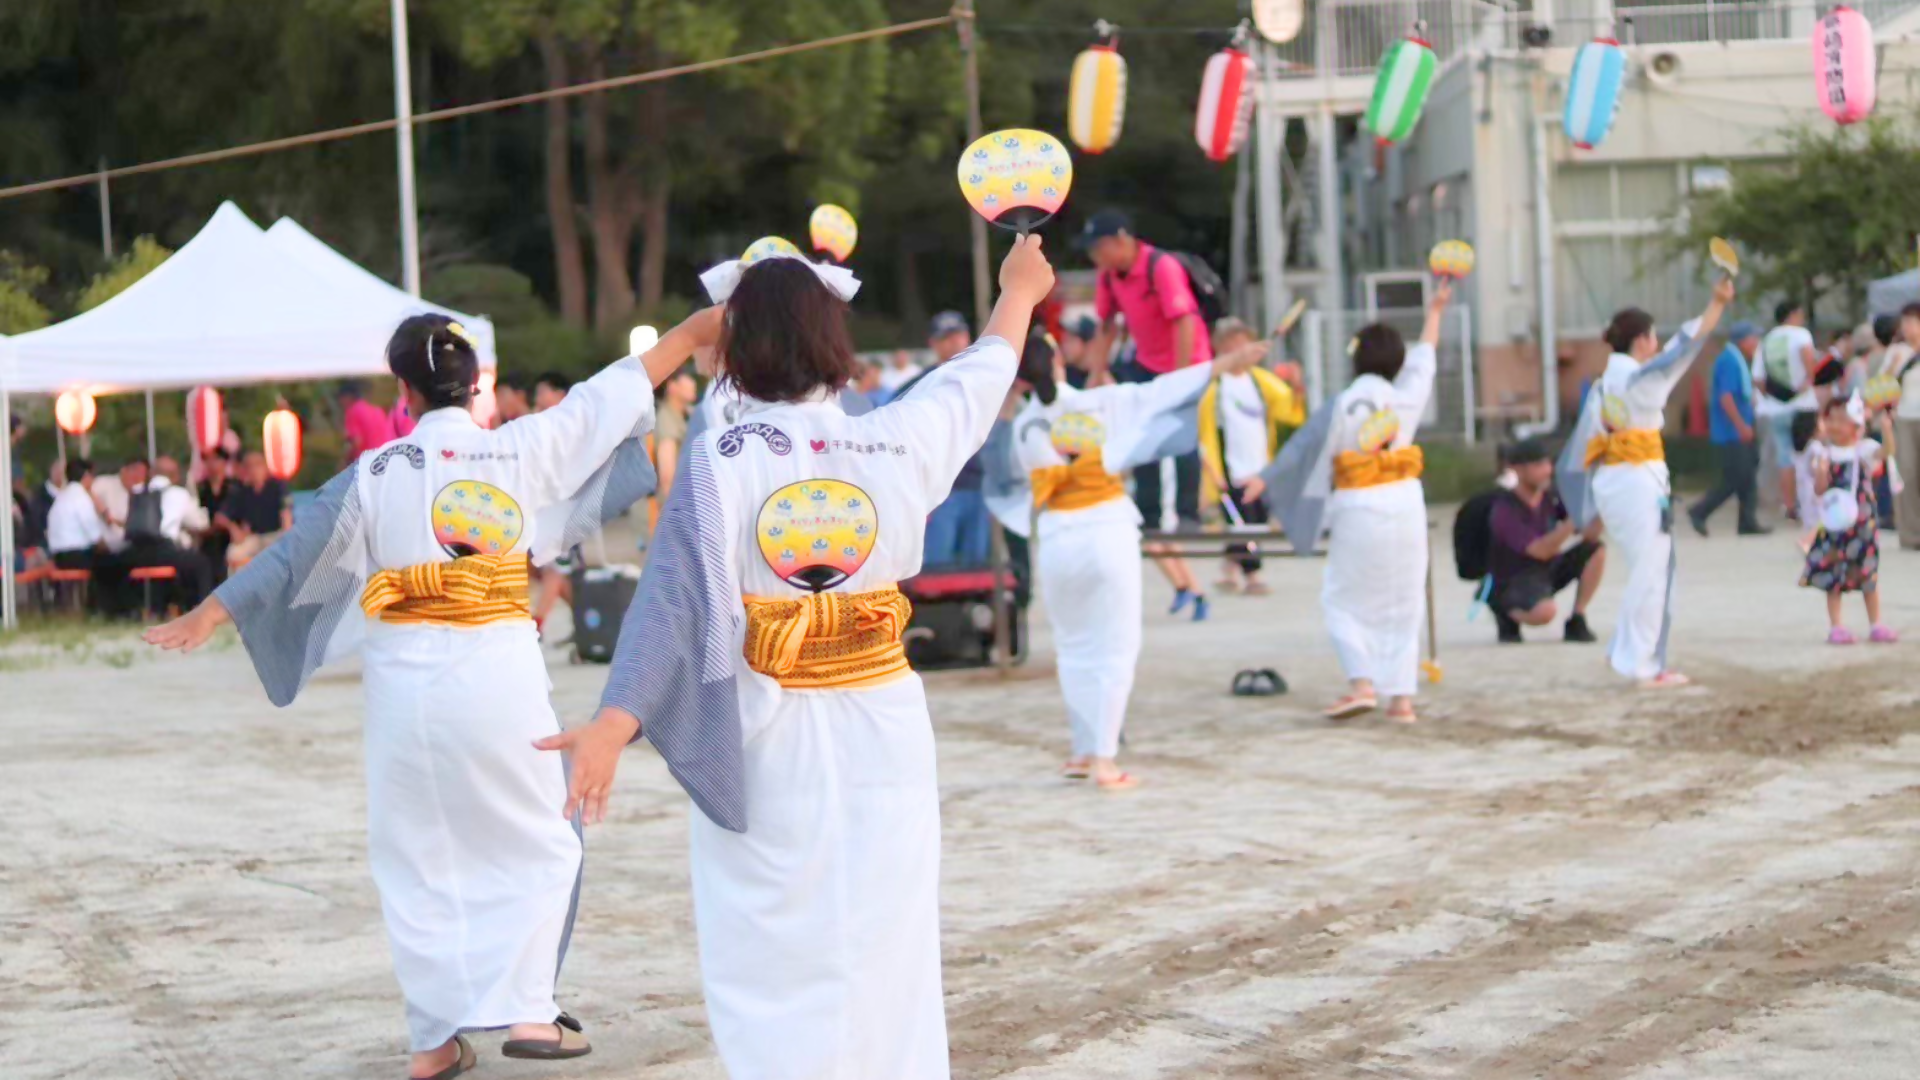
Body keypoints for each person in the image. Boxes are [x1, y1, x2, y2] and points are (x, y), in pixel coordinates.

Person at [544, 237, 1053, 1080]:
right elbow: (980, 374)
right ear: (832, 340)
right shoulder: (894, 440)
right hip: (884, 726)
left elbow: (672, 602)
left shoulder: (720, 458)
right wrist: (1019, 293)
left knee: (770, 945)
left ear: (734, 348)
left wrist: (614, 722)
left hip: (769, 733)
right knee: (888, 939)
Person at [145, 312, 687, 1080]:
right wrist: (695, 334)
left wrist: (211, 610)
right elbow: (610, 395)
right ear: (477, 384)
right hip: (497, 681)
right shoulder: (519, 445)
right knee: (541, 836)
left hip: (404, 694)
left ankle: (433, 1041)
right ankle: (530, 1010)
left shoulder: (374, 473)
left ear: (404, 391)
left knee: (416, 856)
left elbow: (294, 557)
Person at [1015, 324, 1264, 788]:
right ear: (1058, 362)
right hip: (1106, 527)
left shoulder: (1022, 425)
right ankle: (1104, 759)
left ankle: (1083, 749)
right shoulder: (1102, 402)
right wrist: (1224, 364)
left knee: (1073, 647)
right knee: (1115, 647)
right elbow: (1161, 392)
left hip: (1057, 535)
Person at [1262, 284, 1455, 723]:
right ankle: (1401, 700)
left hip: (1358, 504)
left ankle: (1362, 683)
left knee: (1342, 599)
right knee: (1404, 599)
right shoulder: (1405, 396)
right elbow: (1426, 355)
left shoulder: (1344, 403)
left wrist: (1265, 481)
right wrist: (1435, 310)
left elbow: (1305, 450)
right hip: (1406, 500)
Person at [1559, 278, 1734, 689]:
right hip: (1638, 480)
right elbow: (1686, 347)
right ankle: (1643, 663)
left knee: (1646, 568)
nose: (1657, 343)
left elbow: (1581, 448)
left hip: (1612, 481)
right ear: (1641, 340)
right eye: (1653, 336)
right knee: (1654, 572)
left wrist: (1583, 505)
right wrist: (1716, 304)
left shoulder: (1603, 385)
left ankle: (1625, 649)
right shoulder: (1642, 379)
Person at [1077, 209, 1215, 618]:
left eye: (1100, 249)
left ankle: (1188, 512)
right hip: (1148, 363)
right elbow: (1107, 327)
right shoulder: (1109, 277)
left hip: (1187, 360)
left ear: (1121, 240)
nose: (1097, 259)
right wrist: (1096, 373)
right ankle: (1151, 512)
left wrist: (1181, 380)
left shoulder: (1161, 266)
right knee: (1142, 436)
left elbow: (1184, 322)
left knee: (1180, 432)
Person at [1196, 317, 1303, 595]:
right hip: (1230, 470)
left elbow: (1289, 409)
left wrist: (1296, 385)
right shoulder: (1213, 388)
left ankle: (1230, 566)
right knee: (1244, 524)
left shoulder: (1260, 381)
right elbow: (1202, 433)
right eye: (1232, 345)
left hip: (1259, 467)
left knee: (1251, 522)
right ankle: (1253, 575)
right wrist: (1211, 471)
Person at [1486, 437, 1605, 644]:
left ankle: (1577, 618)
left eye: (1548, 464)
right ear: (1518, 470)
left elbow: (1588, 535)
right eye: (1539, 465)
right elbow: (1539, 551)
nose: (1548, 470)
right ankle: (1505, 611)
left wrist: (1600, 506)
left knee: (1596, 550)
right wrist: (1572, 520)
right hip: (1514, 578)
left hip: (1546, 570)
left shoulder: (1551, 497)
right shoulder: (1504, 509)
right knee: (1546, 613)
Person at [1802, 394, 1897, 643]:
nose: (1834, 425)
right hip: (1834, 526)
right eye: (1830, 419)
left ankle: (1876, 623)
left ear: (1856, 424)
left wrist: (1887, 430)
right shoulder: (1823, 453)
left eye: (1841, 420)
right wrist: (1821, 473)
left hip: (1863, 525)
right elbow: (1819, 490)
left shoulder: (1863, 450)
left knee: (1868, 574)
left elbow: (1886, 452)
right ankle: (1836, 626)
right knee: (1834, 575)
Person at [913, 310, 995, 567]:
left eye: (958, 335)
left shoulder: (985, 380)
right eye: (946, 338)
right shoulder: (920, 385)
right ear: (933, 343)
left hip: (980, 485)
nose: (954, 343)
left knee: (978, 566)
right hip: (939, 490)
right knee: (937, 567)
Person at [1687, 321, 1770, 536]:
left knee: (1748, 475)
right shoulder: (1729, 361)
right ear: (1743, 340)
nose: (1757, 343)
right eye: (1754, 338)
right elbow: (1726, 397)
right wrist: (1741, 425)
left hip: (1741, 429)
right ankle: (1699, 511)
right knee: (1734, 478)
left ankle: (1747, 521)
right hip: (1731, 432)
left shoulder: (1738, 359)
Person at [1757, 301, 1819, 520]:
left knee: (1785, 458)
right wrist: (1805, 385)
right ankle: (1809, 502)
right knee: (1808, 454)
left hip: (1776, 408)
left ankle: (1790, 505)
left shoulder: (1765, 340)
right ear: (1792, 315)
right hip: (1803, 405)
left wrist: (1774, 397)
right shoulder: (1801, 335)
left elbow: (1758, 379)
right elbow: (1810, 364)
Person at [217, 450, 291, 570]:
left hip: (275, 534)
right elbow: (220, 517)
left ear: (265, 467)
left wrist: (287, 537)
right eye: (249, 466)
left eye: (257, 465)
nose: (254, 470)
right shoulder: (242, 491)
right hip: (254, 537)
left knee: (281, 550)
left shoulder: (277, 486)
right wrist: (233, 529)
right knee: (233, 553)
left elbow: (286, 514)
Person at [1892, 304, 1920, 549]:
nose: (1907, 328)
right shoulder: (1898, 353)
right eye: (1905, 323)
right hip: (1905, 418)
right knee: (1907, 474)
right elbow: (1880, 389)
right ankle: (1911, 533)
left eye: (1912, 322)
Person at [652, 365, 698, 506]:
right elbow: (668, 476)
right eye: (688, 378)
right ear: (672, 386)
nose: (693, 383)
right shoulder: (667, 419)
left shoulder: (687, 414)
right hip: (678, 504)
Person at [196, 448, 235, 578]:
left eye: (215, 459)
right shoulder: (201, 488)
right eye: (207, 460)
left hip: (228, 535)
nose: (211, 464)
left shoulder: (234, 487)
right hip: (206, 535)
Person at [340, 379, 399, 464]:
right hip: (386, 459)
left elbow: (357, 442)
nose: (340, 401)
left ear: (348, 397)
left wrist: (344, 461)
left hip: (367, 462)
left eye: (341, 398)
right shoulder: (377, 410)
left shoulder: (352, 411)